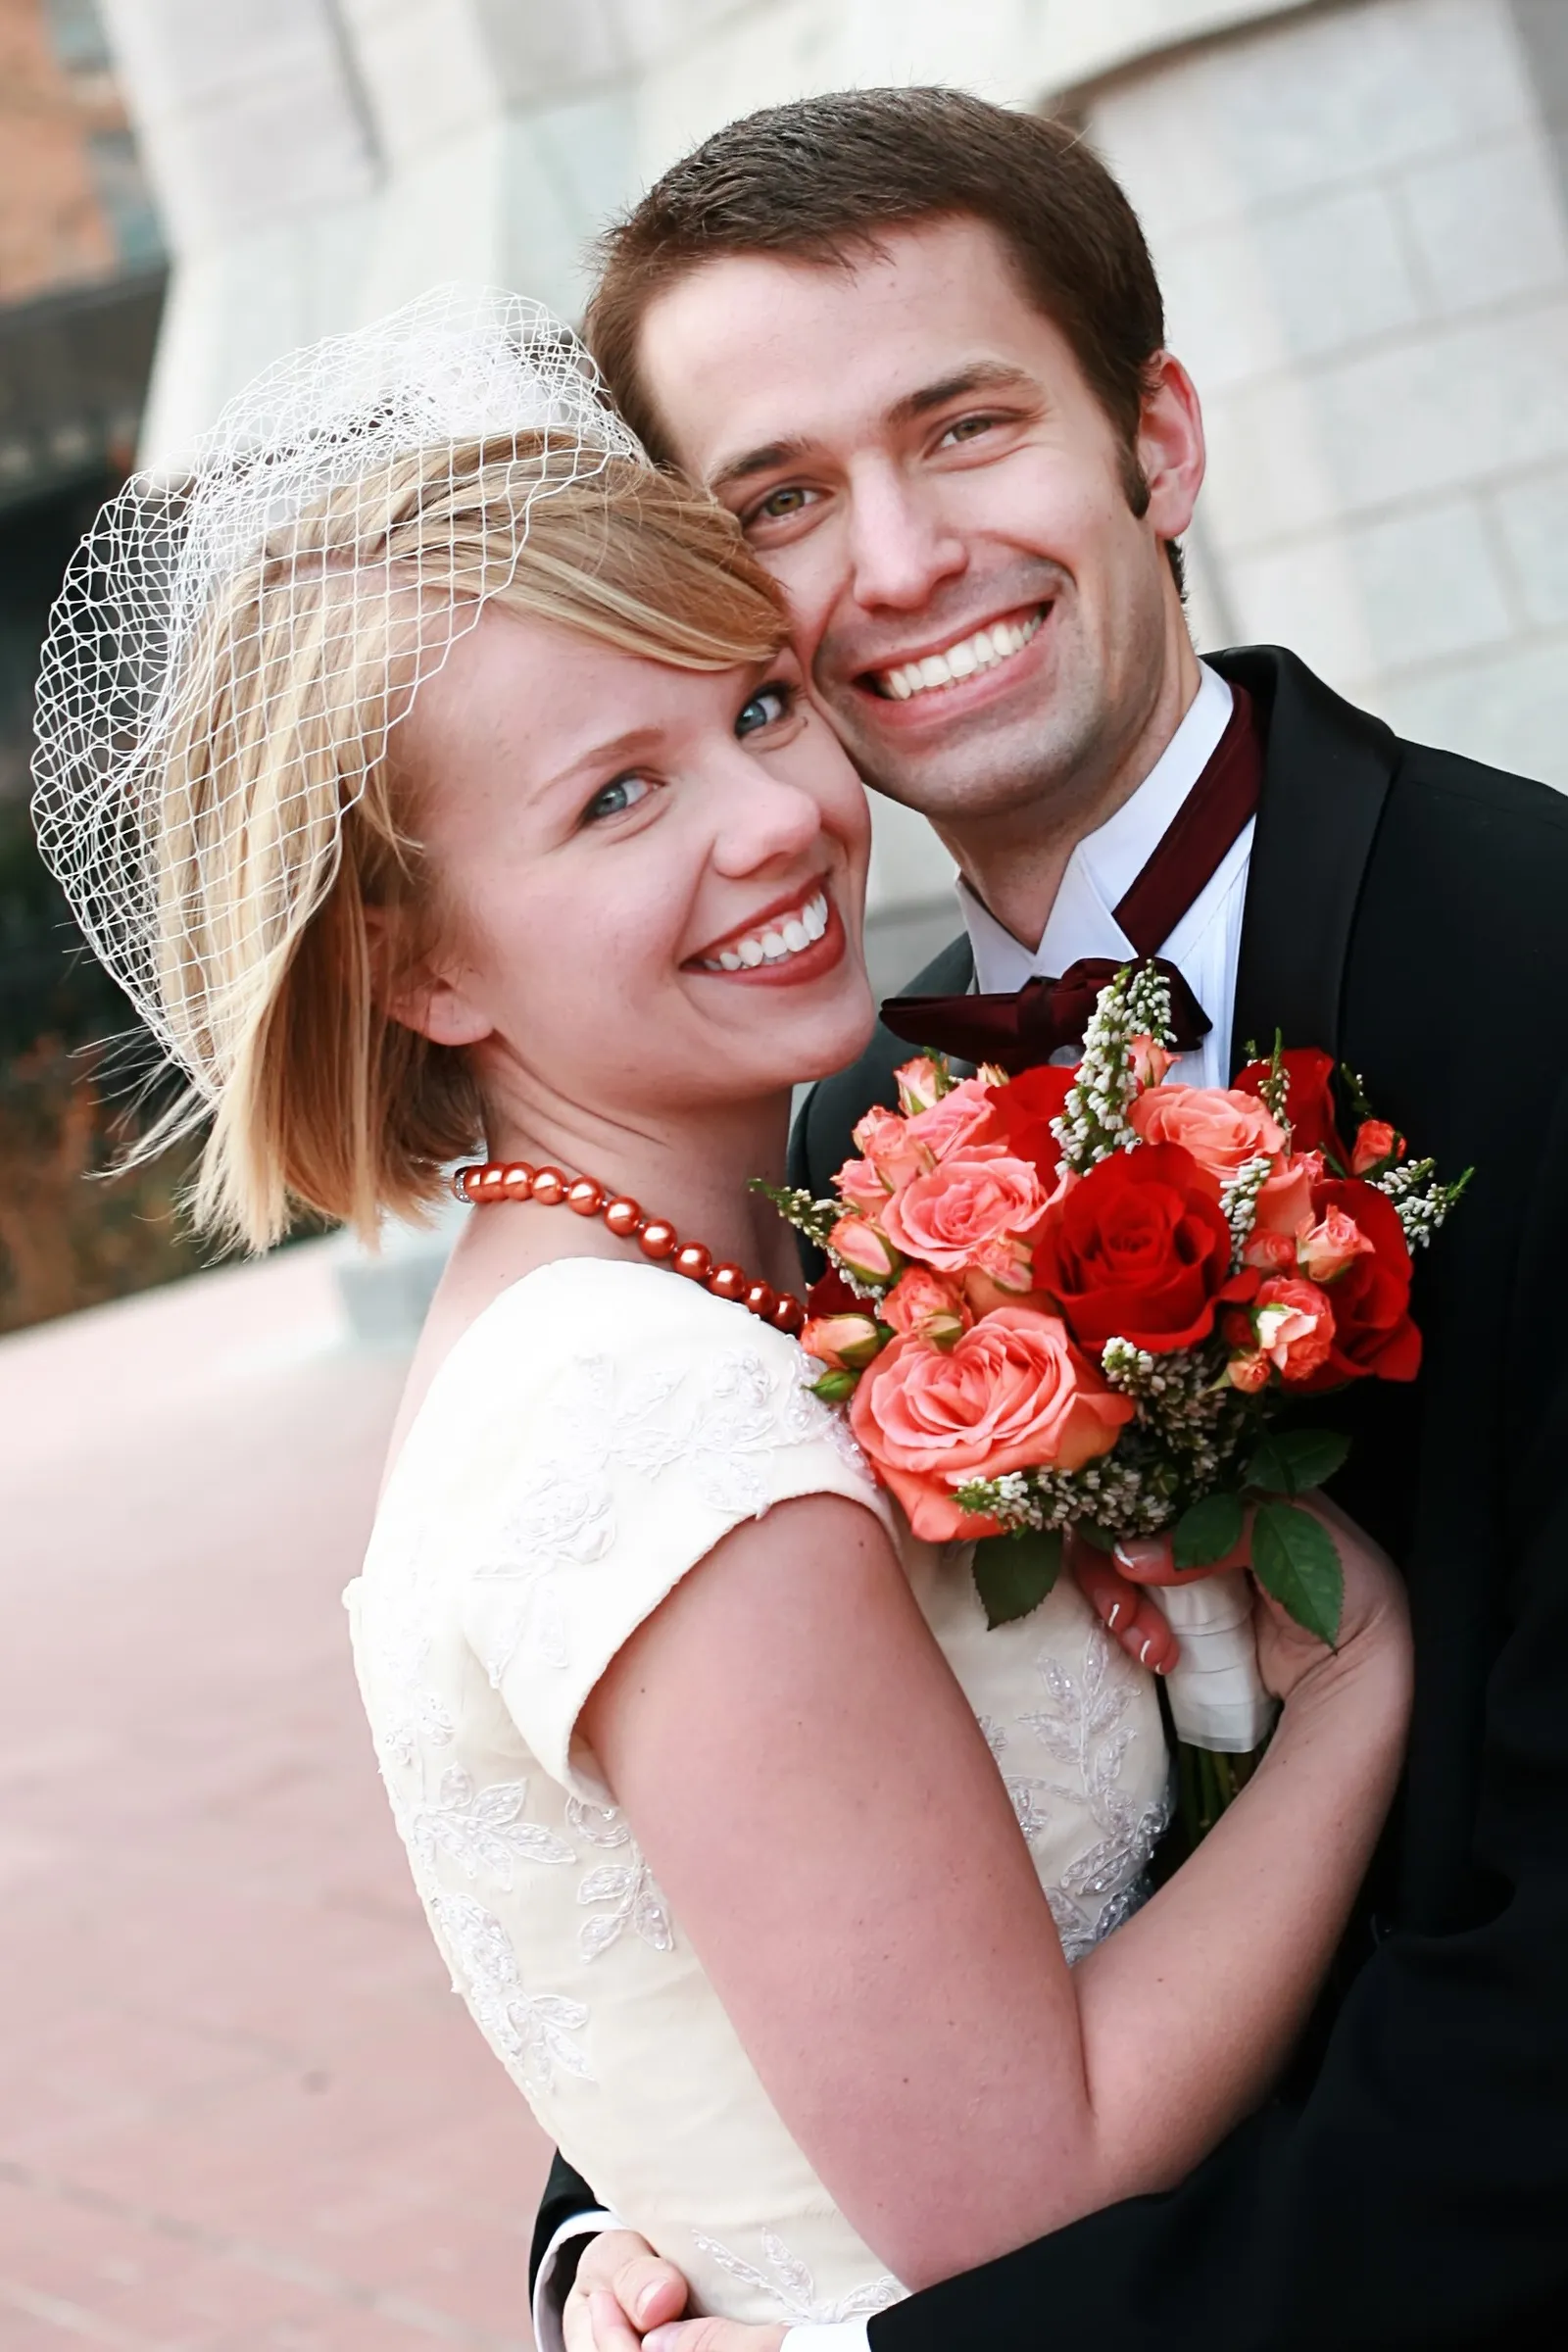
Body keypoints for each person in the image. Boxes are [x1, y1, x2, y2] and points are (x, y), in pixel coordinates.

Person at [30, 296, 1410, 2349]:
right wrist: (1357, 1693)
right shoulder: (647, 1416)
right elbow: (1008, 2183)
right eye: (613, 799)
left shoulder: (701, 1276)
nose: (772, 822)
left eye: (755, 710)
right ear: (418, 972)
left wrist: (616, 2241)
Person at [535, 87, 1568, 2352]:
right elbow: (801, 1797)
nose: (892, 563)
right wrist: (626, 2234)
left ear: (1157, 445)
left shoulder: (1541, 978)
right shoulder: (842, 1143)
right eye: (780, 502)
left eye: (964, 427)